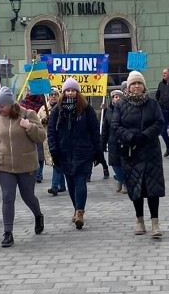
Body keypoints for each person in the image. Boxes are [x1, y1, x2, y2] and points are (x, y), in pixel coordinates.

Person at [0, 87, 46, 248]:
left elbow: (41, 136)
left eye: (2, 105)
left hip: (26, 165)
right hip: (4, 165)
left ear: (10, 104)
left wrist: (28, 126)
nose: (0, 109)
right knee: (7, 197)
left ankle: (38, 215)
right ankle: (8, 233)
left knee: (28, 196)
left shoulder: (28, 114)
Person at [112, 70, 165, 238]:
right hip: (131, 151)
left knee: (152, 188)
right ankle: (139, 220)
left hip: (150, 151)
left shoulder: (152, 103)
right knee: (136, 187)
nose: (136, 86)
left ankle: (155, 223)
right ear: (128, 86)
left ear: (143, 86)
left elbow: (159, 122)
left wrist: (145, 135)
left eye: (139, 83)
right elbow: (116, 125)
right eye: (133, 83)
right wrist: (131, 137)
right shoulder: (121, 104)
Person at [47, 78, 104, 230]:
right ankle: (76, 208)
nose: (70, 93)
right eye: (67, 90)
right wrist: (53, 150)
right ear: (63, 93)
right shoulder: (57, 111)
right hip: (64, 153)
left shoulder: (86, 109)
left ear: (77, 92)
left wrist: (98, 151)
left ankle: (80, 212)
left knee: (80, 181)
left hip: (83, 152)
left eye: (73, 90)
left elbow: (94, 131)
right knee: (70, 184)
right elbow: (51, 132)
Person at [38, 88, 66, 197]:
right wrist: (43, 120)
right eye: (51, 94)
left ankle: (55, 186)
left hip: (60, 138)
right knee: (58, 162)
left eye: (55, 94)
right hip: (49, 138)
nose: (53, 96)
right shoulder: (43, 109)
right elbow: (36, 121)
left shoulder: (62, 107)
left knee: (56, 162)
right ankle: (62, 185)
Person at [101, 89, 126, 193]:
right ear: (112, 99)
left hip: (124, 141)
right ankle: (120, 179)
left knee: (123, 163)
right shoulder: (108, 112)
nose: (118, 98)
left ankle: (124, 182)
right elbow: (105, 129)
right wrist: (102, 143)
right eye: (116, 97)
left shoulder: (126, 109)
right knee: (114, 164)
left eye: (120, 96)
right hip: (112, 141)